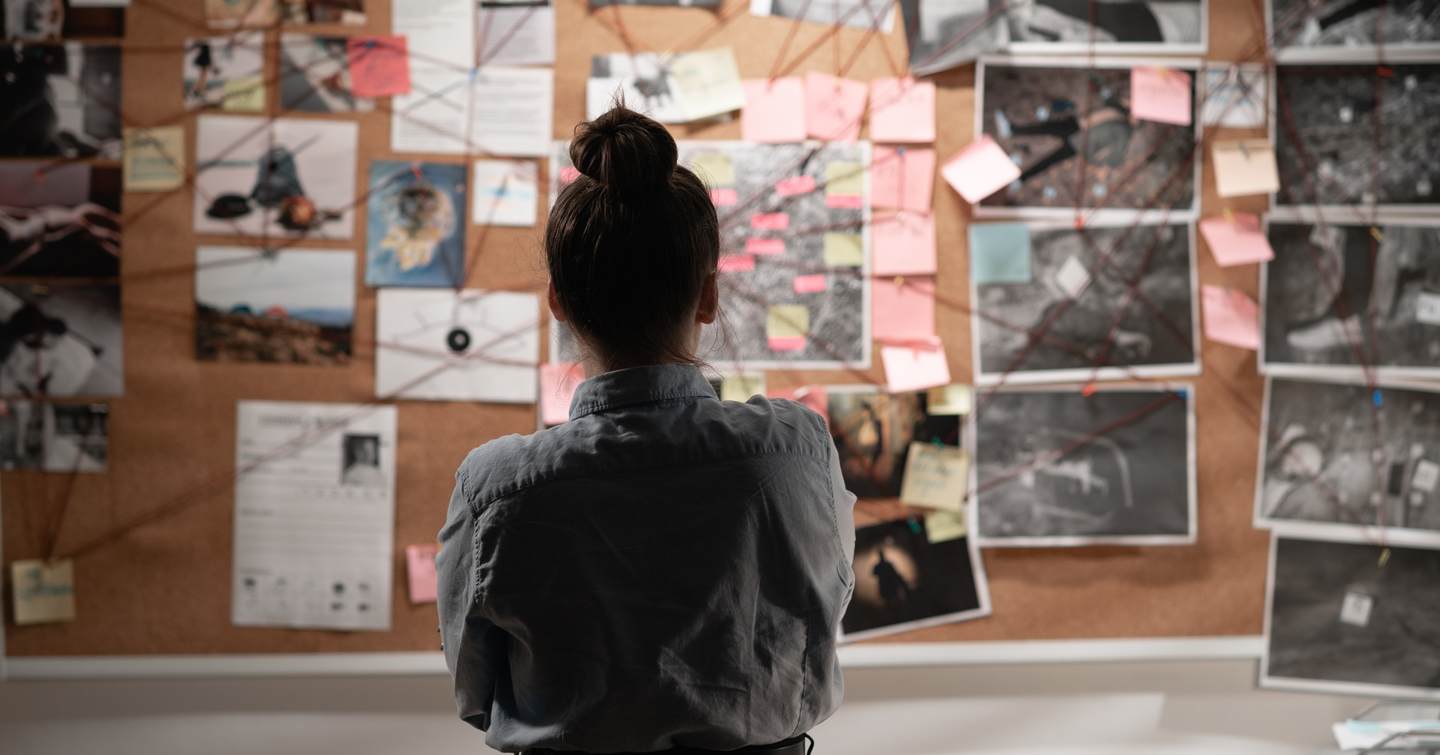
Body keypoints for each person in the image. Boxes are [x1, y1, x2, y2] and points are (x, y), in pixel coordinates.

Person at [436, 104, 857, 755]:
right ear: (709, 294)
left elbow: (475, 689)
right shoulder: (793, 448)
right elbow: (819, 623)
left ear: (559, 302)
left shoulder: (495, 484)